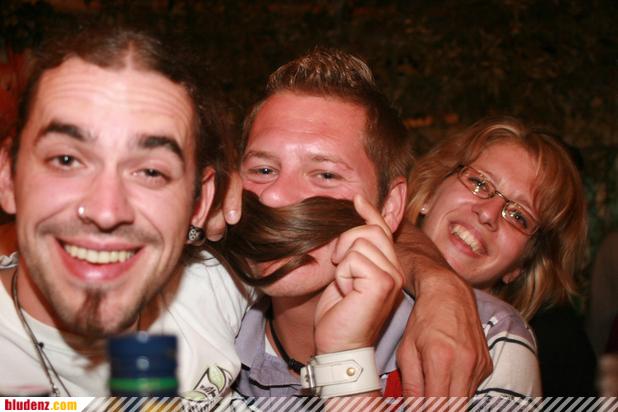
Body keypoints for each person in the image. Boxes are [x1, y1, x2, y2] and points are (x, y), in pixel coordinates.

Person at [0, 24, 492, 399]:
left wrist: (436, 286)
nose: (107, 209)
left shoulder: (216, 284)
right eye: (66, 160)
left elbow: (349, 229)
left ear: (204, 199)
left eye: (150, 171)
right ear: (7, 177)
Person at [217, 49, 540, 400]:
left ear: (390, 208)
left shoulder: (484, 347)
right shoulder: (200, 309)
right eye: (264, 170)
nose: (274, 196)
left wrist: (344, 362)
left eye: (326, 174)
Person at [406, 116, 595, 394]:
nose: (488, 213)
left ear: (519, 267)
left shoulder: (507, 354)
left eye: (519, 216)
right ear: (431, 192)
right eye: (479, 182)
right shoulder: (349, 265)